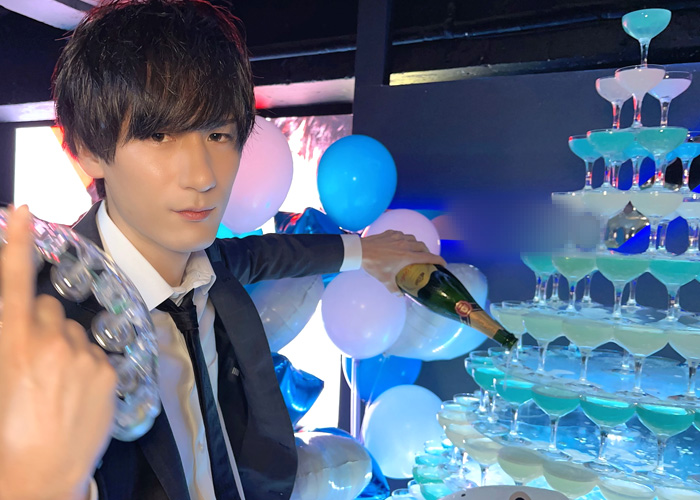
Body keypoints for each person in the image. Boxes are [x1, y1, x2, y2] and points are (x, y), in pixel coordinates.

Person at [3, 1, 446, 499]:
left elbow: (270, 254)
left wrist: (366, 251)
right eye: (159, 135)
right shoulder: (44, 323)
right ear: (88, 149)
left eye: (218, 134)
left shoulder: (211, 262)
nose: (202, 176)